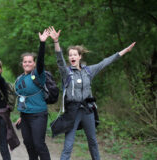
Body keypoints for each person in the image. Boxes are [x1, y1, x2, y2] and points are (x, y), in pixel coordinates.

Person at [47, 26, 136, 160]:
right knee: (68, 144)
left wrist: (124, 51)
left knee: (93, 142)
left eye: (75, 55)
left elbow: (105, 62)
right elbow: (59, 60)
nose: (72, 57)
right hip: (72, 111)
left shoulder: (88, 71)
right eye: (70, 55)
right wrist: (56, 42)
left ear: (80, 57)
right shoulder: (66, 73)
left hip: (88, 110)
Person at [14, 28, 52, 160]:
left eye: (30, 61)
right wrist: (20, 115)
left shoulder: (37, 74)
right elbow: (22, 97)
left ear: (34, 63)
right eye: (25, 61)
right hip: (25, 116)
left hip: (38, 115)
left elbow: (41, 60)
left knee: (38, 144)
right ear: (22, 64)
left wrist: (42, 43)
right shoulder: (19, 79)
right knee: (29, 144)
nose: (27, 63)